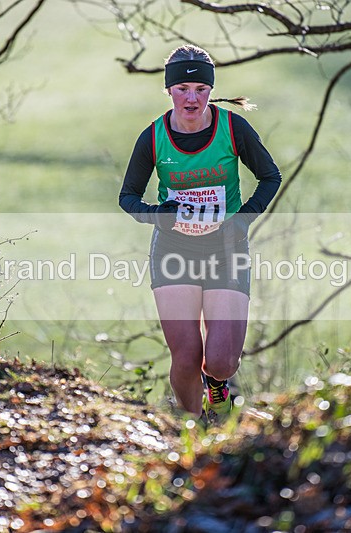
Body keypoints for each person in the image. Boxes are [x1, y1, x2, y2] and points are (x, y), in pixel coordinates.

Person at [118, 44, 281, 422]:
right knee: (187, 357)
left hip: (227, 246)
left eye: (201, 90)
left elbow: (270, 177)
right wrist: (158, 216)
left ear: (211, 90)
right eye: (182, 90)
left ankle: (217, 385)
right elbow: (128, 197)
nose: (192, 98)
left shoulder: (232, 127)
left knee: (221, 362)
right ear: (169, 90)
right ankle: (192, 425)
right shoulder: (154, 137)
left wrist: (243, 218)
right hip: (174, 249)